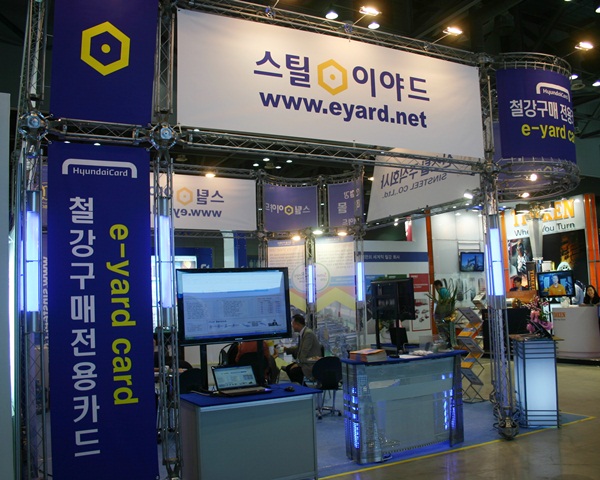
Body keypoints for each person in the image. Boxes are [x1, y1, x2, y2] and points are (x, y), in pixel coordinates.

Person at [281, 314, 322, 385]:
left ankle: (302, 388)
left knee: (294, 371)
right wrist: (286, 349)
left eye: (293, 324)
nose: (292, 326)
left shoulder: (308, 334)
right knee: (288, 368)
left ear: (297, 324)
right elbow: (299, 348)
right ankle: (300, 387)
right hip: (306, 361)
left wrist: (298, 364)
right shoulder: (303, 333)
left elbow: (304, 351)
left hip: (311, 363)